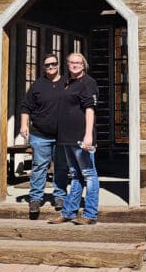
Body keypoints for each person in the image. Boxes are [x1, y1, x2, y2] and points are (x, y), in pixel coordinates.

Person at [48, 51, 100, 225]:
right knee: (75, 175)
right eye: (71, 62)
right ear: (67, 64)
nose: (75, 65)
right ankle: (69, 212)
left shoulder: (88, 83)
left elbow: (90, 109)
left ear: (83, 64)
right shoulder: (67, 83)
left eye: (78, 62)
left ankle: (90, 214)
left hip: (81, 136)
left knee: (89, 175)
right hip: (66, 137)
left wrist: (88, 135)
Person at [18, 53, 68, 219]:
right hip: (40, 134)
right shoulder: (38, 85)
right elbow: (26, 106)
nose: (51, 67)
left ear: (58, 65)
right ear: (43, 67)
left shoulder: (67, 82)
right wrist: (24, 125)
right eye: (47, 65)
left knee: (61, 166)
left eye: (53, 64)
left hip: (62, 135)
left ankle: (60, 197)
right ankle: (35, 199)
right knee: (40, 166)